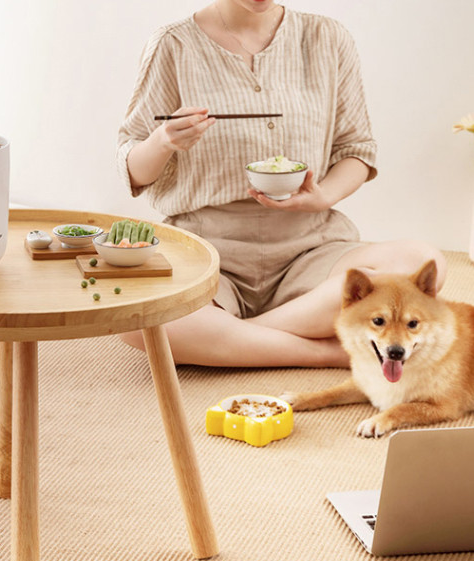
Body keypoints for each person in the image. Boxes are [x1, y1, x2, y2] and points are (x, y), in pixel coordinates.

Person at [117, 0, 446, 368]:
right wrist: (164, 140)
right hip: (208, 251)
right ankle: (325, 352)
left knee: (422, 261)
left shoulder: (327, 37)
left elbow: (357, 150)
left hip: (312, 249)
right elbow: (134, 169)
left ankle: (234, 336)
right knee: (133, 319)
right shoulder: (173, 44)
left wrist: (323, 197)